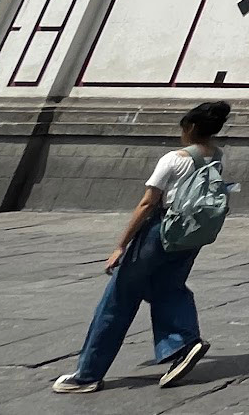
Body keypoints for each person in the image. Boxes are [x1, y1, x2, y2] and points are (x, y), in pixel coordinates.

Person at [53, 101, 230, 393]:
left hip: (159, 232)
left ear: (191, 127)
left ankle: (87, 374)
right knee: (169, 288)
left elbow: (147, 203)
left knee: (118, 299)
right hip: (190, 235)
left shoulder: (174, 158)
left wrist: (120, 246)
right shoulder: (216, 156)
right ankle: (185, 343)